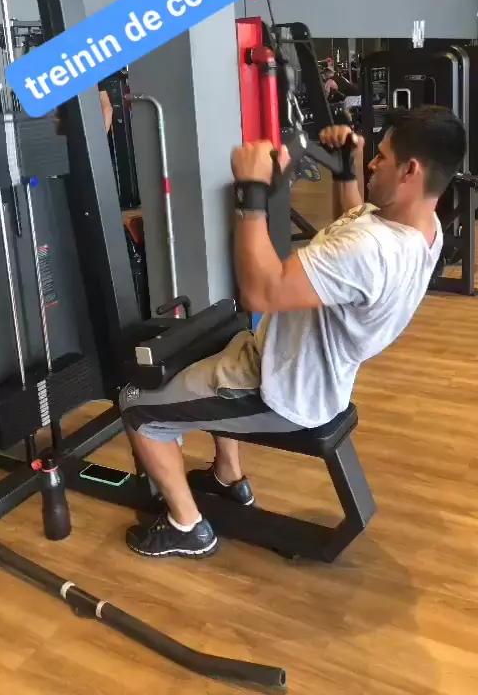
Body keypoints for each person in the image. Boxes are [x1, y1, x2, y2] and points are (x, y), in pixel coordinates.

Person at [120, 105, 466, 560]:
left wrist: (250, 193)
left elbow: (260, 293)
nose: (372, 163)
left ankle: (188, 526)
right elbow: (355, 226)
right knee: (214, 350)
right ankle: (227, 478)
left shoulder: (371, 251)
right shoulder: (422, 227)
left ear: (410, 171)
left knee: (136, 406)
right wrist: (344, 173)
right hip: (305, 369)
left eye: (381, 156)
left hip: (279, 387)